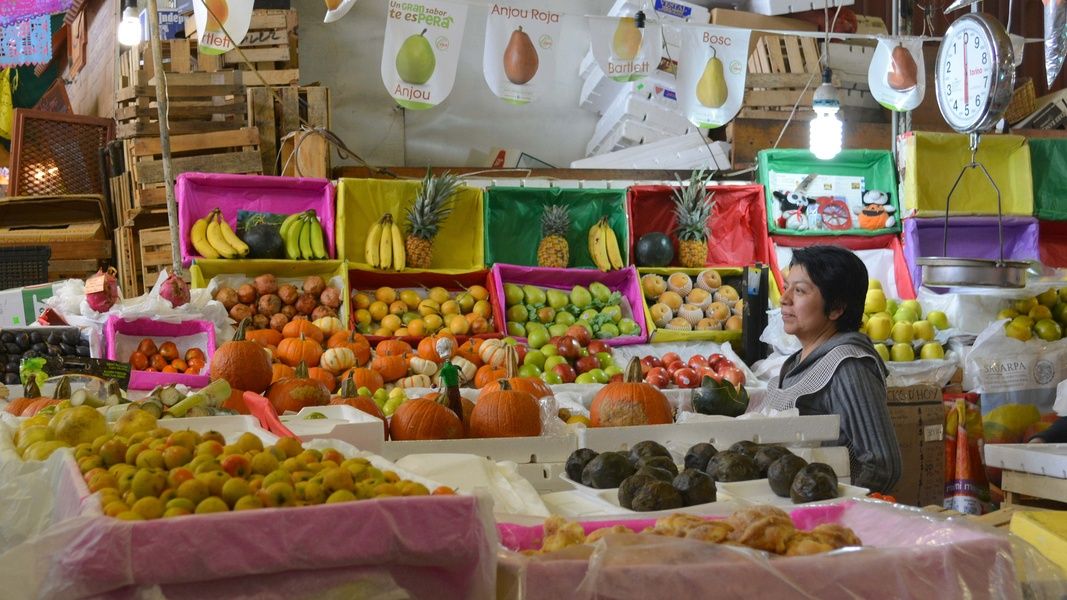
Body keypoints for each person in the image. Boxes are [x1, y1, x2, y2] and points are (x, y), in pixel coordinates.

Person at [757, 245, 902, 493]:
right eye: (787, 286)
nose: (784, 298)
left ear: (836, 308)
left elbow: (883, 465)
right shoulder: (799, 361)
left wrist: (836, 508)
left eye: (800, 290)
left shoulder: (849, 367)